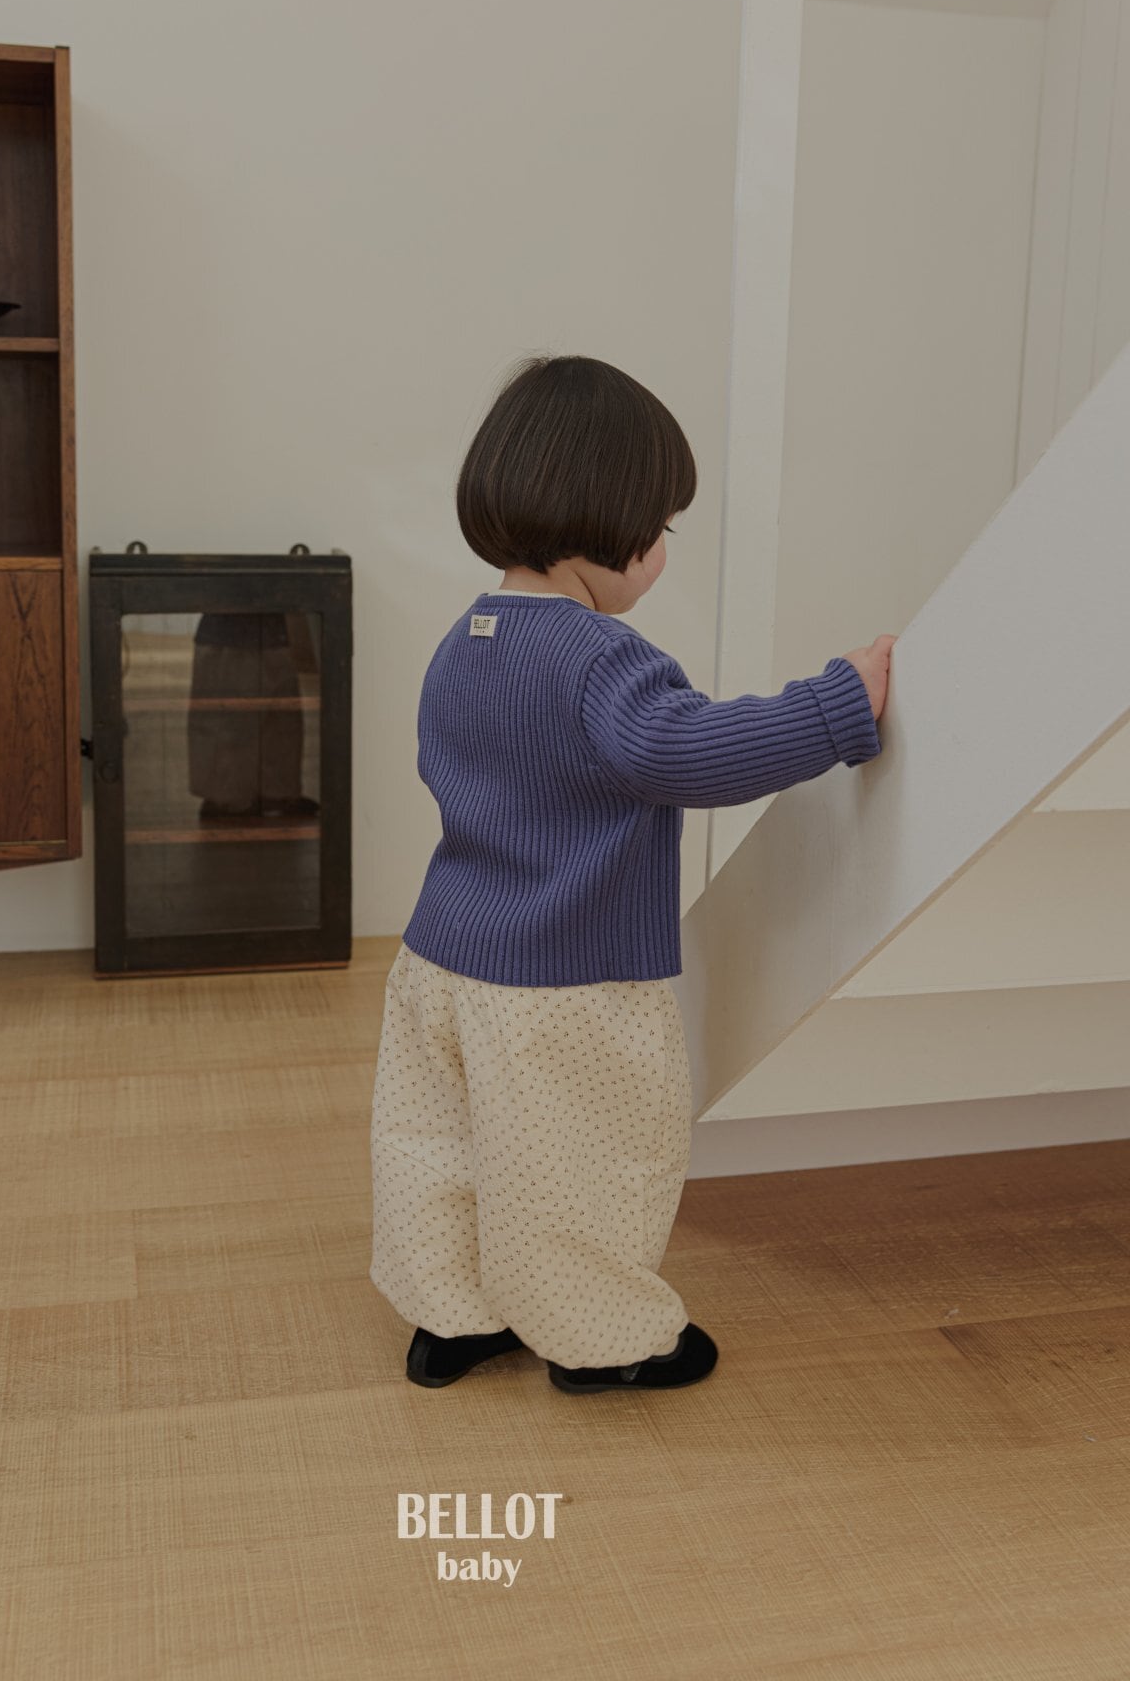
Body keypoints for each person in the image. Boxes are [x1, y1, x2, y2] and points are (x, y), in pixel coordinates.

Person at [370, 355, 896, 1395]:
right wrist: (836, 703)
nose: (659, 553)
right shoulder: (600, 660)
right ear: (601, 519)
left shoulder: (462, 642)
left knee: (438, 1143)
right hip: (562, 981)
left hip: (438, 962)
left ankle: (453, 1319)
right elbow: (686, 751)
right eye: (657, 528)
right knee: (579, 1163)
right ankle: (604, 1340)